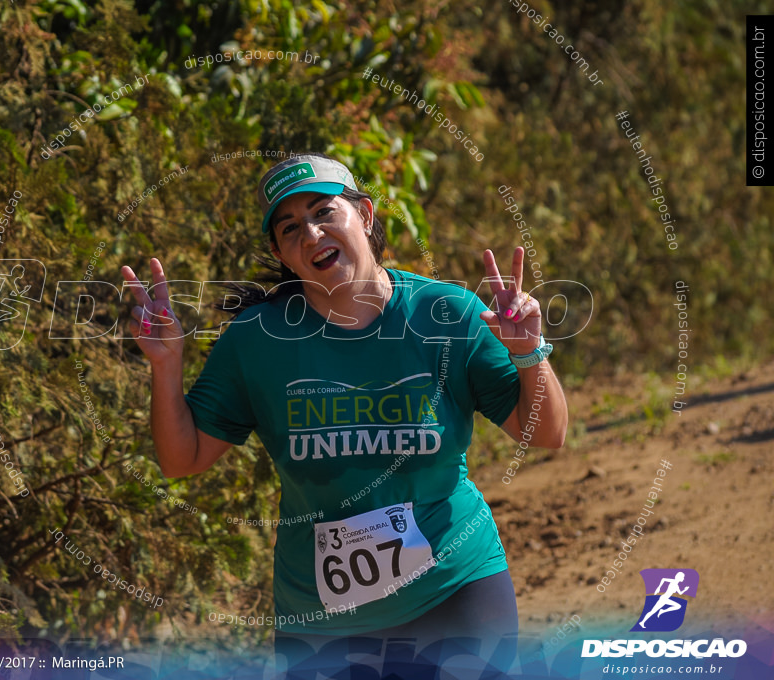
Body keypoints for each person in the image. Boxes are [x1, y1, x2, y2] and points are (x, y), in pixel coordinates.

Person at [120, 153, 567, 677]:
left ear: (366, 215)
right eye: (290, 228)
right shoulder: (256, 341)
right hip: (321, 615)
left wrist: (529, 352)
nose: (310, 234)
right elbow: (182, 459)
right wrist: (166, 365)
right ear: (281, 253)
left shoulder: (445, 314)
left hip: (455, 589)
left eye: (324, 212)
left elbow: (545, 433)